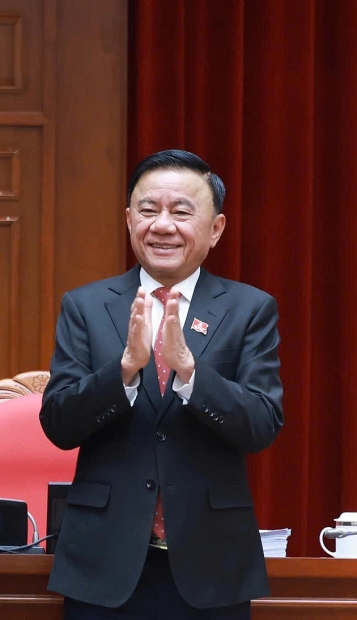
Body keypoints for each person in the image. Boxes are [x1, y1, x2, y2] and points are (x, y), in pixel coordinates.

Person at [40, 149, 283, 619]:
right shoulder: (86, 306)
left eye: (182, 212)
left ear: (216, 229)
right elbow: (59, 425)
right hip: (103, 561)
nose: (163, 225)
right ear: (129, 220)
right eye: (148, 210)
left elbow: (261, 425)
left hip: (211, 563)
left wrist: (190, 373)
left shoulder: (249, 309)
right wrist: (124, 371)